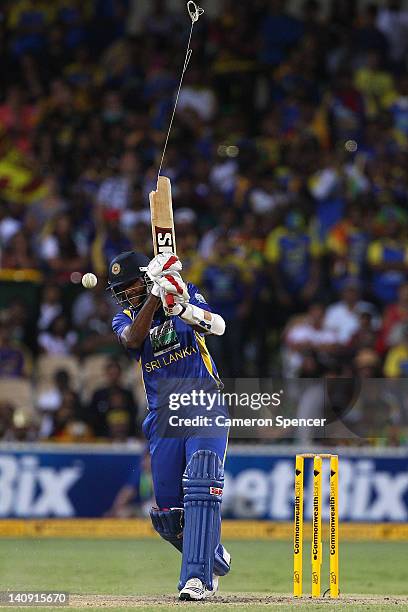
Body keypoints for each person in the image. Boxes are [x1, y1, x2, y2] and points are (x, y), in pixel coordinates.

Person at [109, 250, 230, 600]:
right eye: (121, 290)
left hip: (203, 401)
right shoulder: (125, 318)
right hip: (163, 415)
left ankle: (197, 579)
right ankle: (213, 557)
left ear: (144, 277)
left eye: (130, 286)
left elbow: (218, 325)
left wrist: (179, 307)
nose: (125, 294)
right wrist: (153, 295)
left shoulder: (185, 290)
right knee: (167, 516)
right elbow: (133, 340)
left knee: (203, 479)